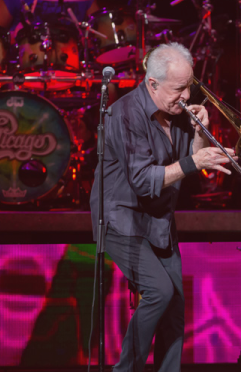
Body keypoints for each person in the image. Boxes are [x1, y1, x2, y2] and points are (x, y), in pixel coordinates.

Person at [90, 42, 233, 372]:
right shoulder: (125, 114)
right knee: (159, 292)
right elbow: (142, 180)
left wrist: (199, 135)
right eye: (179, 88)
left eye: (189, 86)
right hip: (120, 218)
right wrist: (195, 160)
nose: (186, 96)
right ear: (152, 83)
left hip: (158, 220)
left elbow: (187, 167)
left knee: (175, 307)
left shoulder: (177, 113)